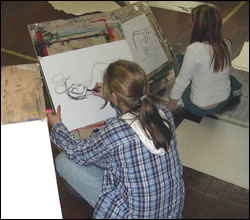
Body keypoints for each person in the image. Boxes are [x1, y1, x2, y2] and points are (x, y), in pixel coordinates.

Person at [48, 60, 185, 219]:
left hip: (133, 215)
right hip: (170, 212)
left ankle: (79, 193)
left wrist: (57, 126)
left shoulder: (116, 132)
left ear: (114, 95)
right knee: (109, 160)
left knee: (64, 160)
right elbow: (135, 120)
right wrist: (115, 100)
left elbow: (79, 153)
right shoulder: (163, 113)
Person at [167, 3, 242, 116]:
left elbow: (181, 83)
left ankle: (234, 86)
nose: (190, 26)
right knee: (222, 74)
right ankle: (236, 87)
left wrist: (167, 111)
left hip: (199, 108)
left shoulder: (194, 49)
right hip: (223, 100)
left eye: (192, 23)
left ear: (198, 27)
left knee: (178, 59)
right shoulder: (226, 43)